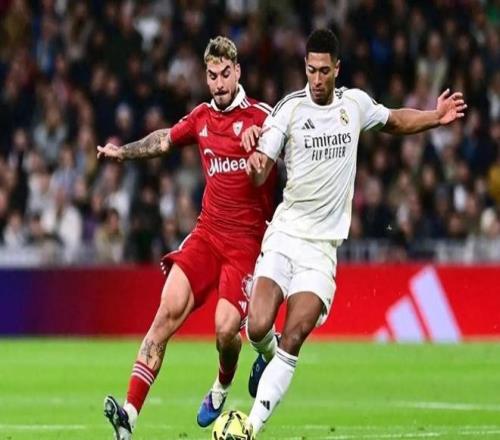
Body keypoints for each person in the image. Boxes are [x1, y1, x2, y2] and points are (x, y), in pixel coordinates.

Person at [240, 28, 467, 437]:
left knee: (295, 334)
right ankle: (265, 354)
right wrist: (254, 162)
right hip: (286, 234)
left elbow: (395, 120)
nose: (317, 79)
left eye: (324, 71)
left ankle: (249, 428)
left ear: (337, 69)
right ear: (305, 68)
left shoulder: (354, 104)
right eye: (311, 70)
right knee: (257, 327)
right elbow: (260, 169)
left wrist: (435, 117)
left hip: (321, 249)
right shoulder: (289, 109)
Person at [97, 36, 275, 440]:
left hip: (246, 245)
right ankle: (129, 416)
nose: (219, 83)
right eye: (212, 76)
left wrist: (265, 145)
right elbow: (163, 140)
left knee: (226, 330)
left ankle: (222, 385)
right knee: (165, 314)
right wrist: (122, 152)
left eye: (225, 74)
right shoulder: (201, 117)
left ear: (238, 72)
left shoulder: (264, 117)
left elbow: (286, 146)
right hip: (206, 236)